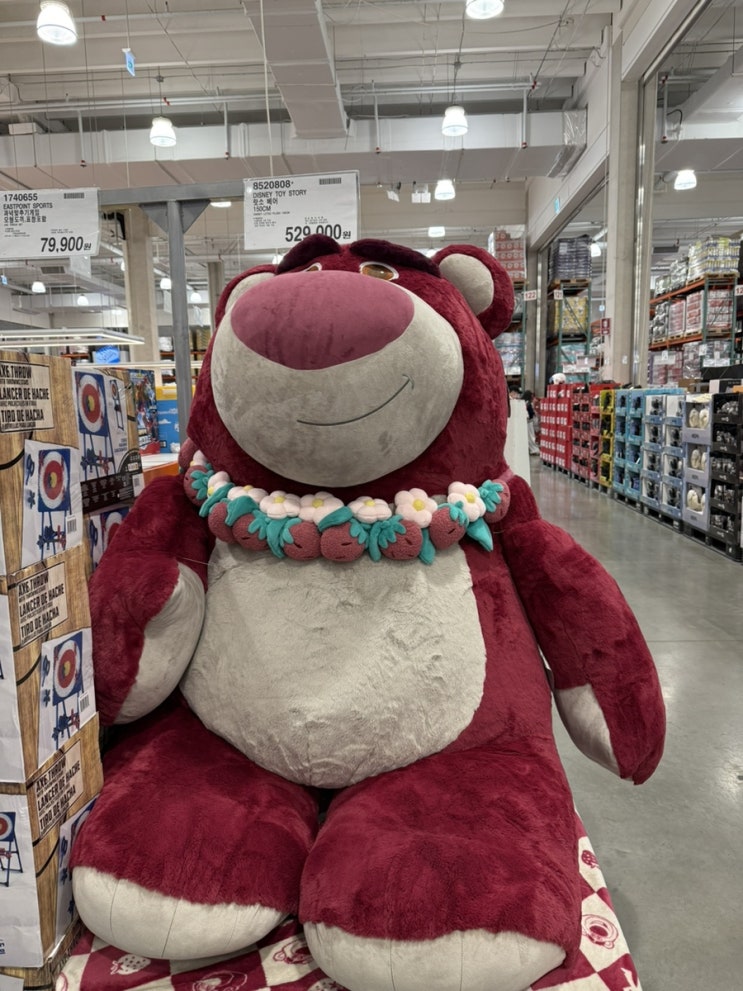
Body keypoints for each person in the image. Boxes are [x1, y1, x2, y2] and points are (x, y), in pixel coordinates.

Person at [522, 389, 540, 456]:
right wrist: (534, 413)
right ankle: (534, 450)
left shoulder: (523, 402)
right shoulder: (528, 403)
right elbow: (530, 413)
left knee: (529, 436)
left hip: (526, 421)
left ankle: (531, 449)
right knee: (531, 436)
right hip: (529, 421)